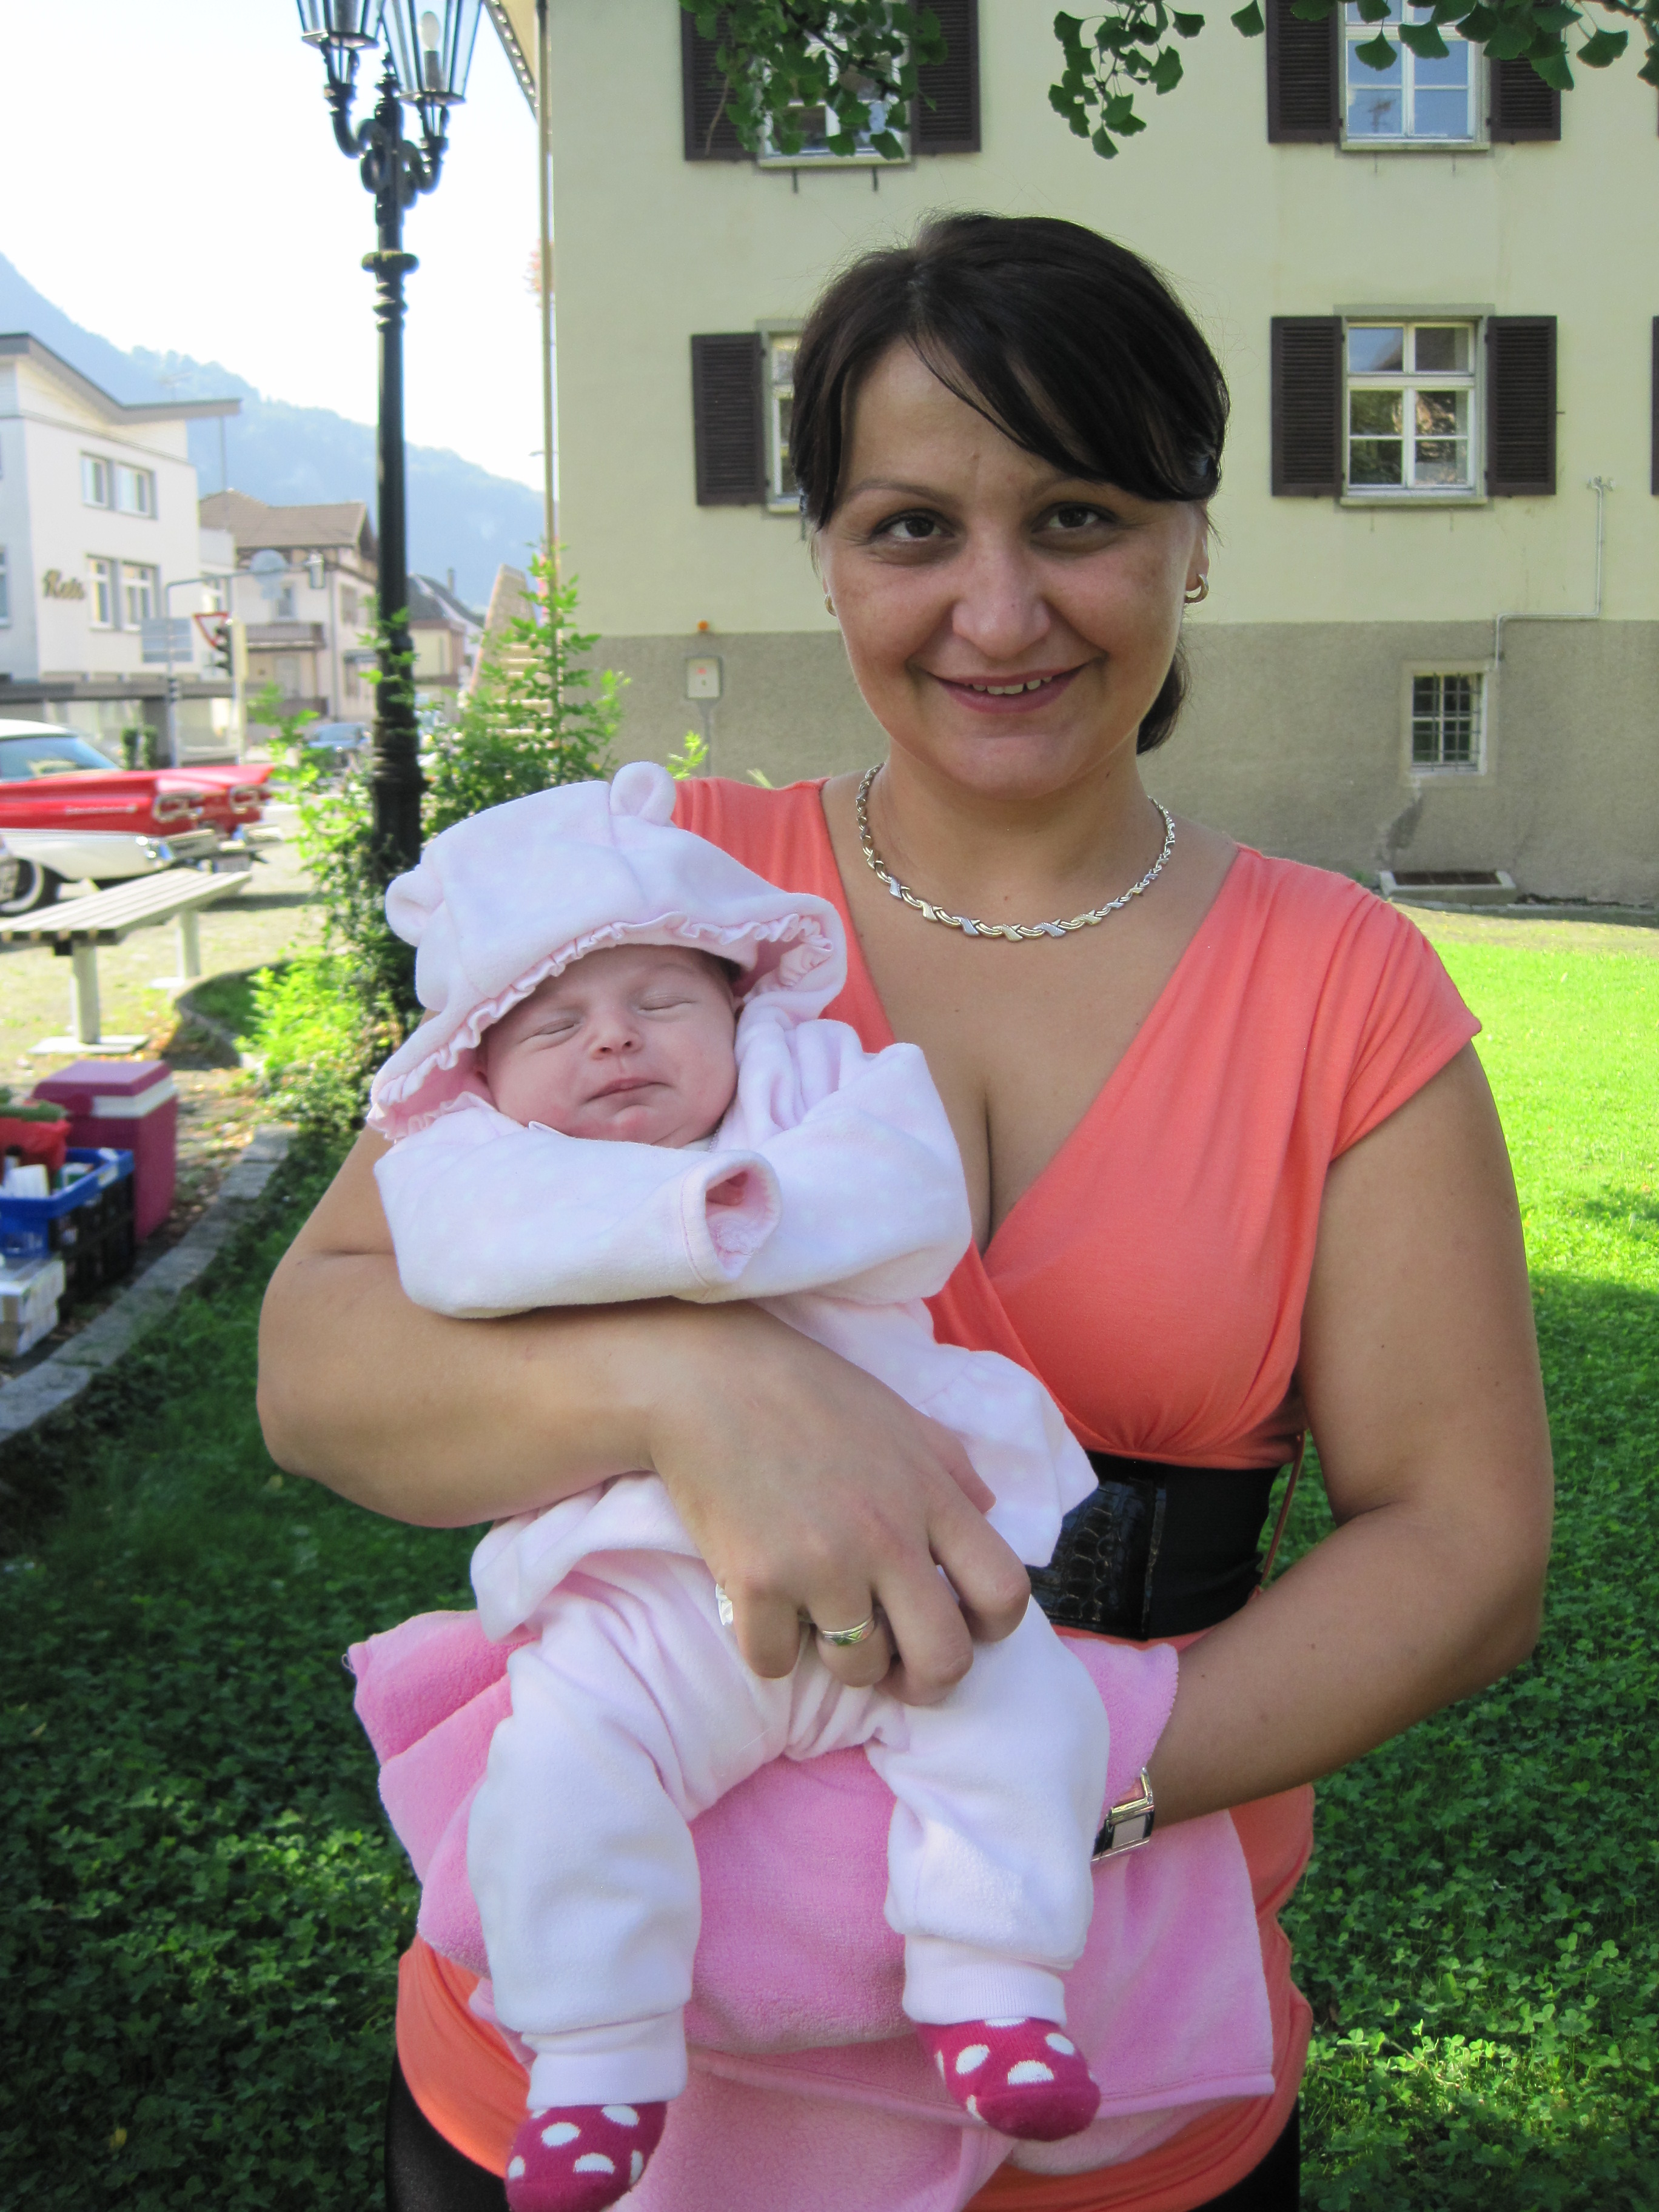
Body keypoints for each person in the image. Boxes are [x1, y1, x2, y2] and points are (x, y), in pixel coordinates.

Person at [259, 213, 1554, 2212]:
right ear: (826, 555)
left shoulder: (1341, 988)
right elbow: (317, 1353)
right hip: (570, 2091)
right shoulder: (645, 899)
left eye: (1079, 515)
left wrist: (1052, 1779)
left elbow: (1465, 1549)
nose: (998, 608)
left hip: (1098, 2085)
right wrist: (704, 1390)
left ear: (1194, 537)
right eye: (911, 529)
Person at [362, 765, 1128, 2210]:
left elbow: (905, 1196)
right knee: (560, 1783)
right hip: (642, 1607)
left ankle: (997, 1984)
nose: (615, 1040)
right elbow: (463, 1256)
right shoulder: (470, 1162)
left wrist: (742, 1206)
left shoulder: (812, 1084)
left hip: (904, 1566)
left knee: (1026, 1714)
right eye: (556, 1026)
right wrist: (692, 1232)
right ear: (483, 1071)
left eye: (661, 1002)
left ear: (737, 1006)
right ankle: (595, 2060)